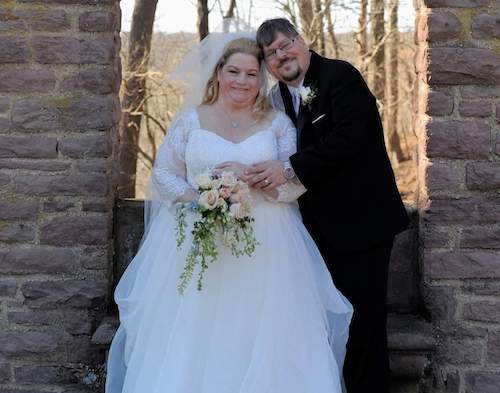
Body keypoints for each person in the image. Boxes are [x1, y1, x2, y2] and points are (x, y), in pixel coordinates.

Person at [105, 34, 352, 393]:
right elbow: (163, 173)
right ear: (219, 73)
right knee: (194, 334)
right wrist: (201, 196)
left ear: (262, 78)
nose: (241, 81)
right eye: (233, 71)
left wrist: (253, 180)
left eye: (251, 74)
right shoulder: (192, 120)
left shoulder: (278, 124)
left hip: (267, 243)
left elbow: (294, 184)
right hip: (196, 238)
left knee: (262, 334)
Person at [244, 18, 410, 393]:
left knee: (363, 324)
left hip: (362, 225)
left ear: (302, 41)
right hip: (314, 232)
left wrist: (286, 169)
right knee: (327, 324)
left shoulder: (340, 77)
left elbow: (349, 139)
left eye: (286, 44)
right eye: (271, 54)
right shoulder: (277, 99)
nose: (281, 55)